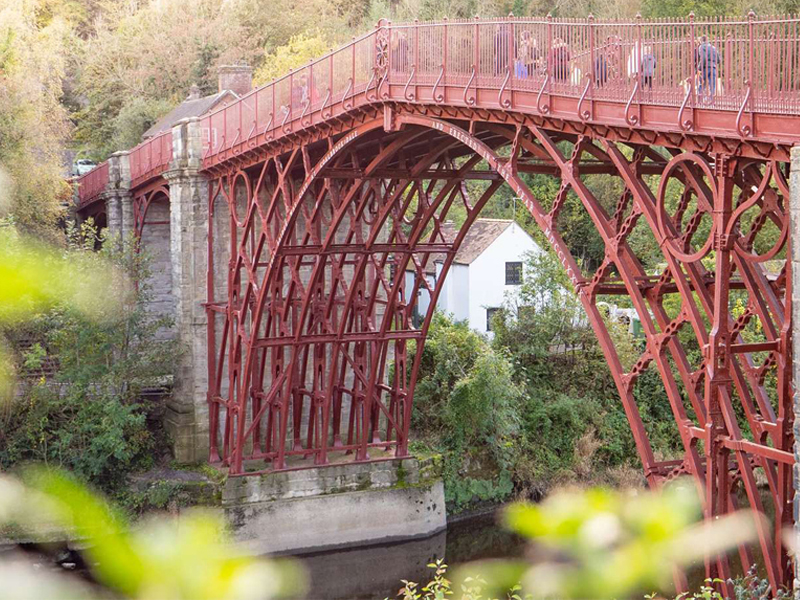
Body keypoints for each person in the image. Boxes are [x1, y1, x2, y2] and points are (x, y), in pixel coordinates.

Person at [695, 35, 720, 102]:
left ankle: (699, 100)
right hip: (713, 68)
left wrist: (699, 68)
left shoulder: (701, 47)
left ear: (701, 40)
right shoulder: (713, 47)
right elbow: (719, 59)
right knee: (712, 84)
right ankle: (712, 100)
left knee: (701, 83)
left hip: (705, 68)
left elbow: (703, 58)